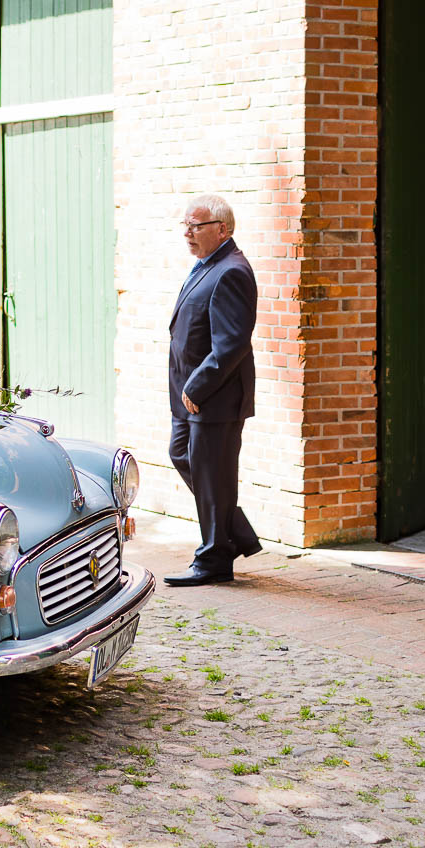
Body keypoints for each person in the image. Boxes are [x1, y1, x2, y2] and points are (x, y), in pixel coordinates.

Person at [165, 194, 262, 586]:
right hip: (190, 399)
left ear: (223, 229)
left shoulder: (232, 271)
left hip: (214, 398)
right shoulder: (206, 265)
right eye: (185, 225)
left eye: (196, 225)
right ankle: (233, 535)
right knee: (187, 460)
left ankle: (213, 559)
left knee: (212, 475)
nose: (188, 233)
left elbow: (232, 343)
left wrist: (199, 385)